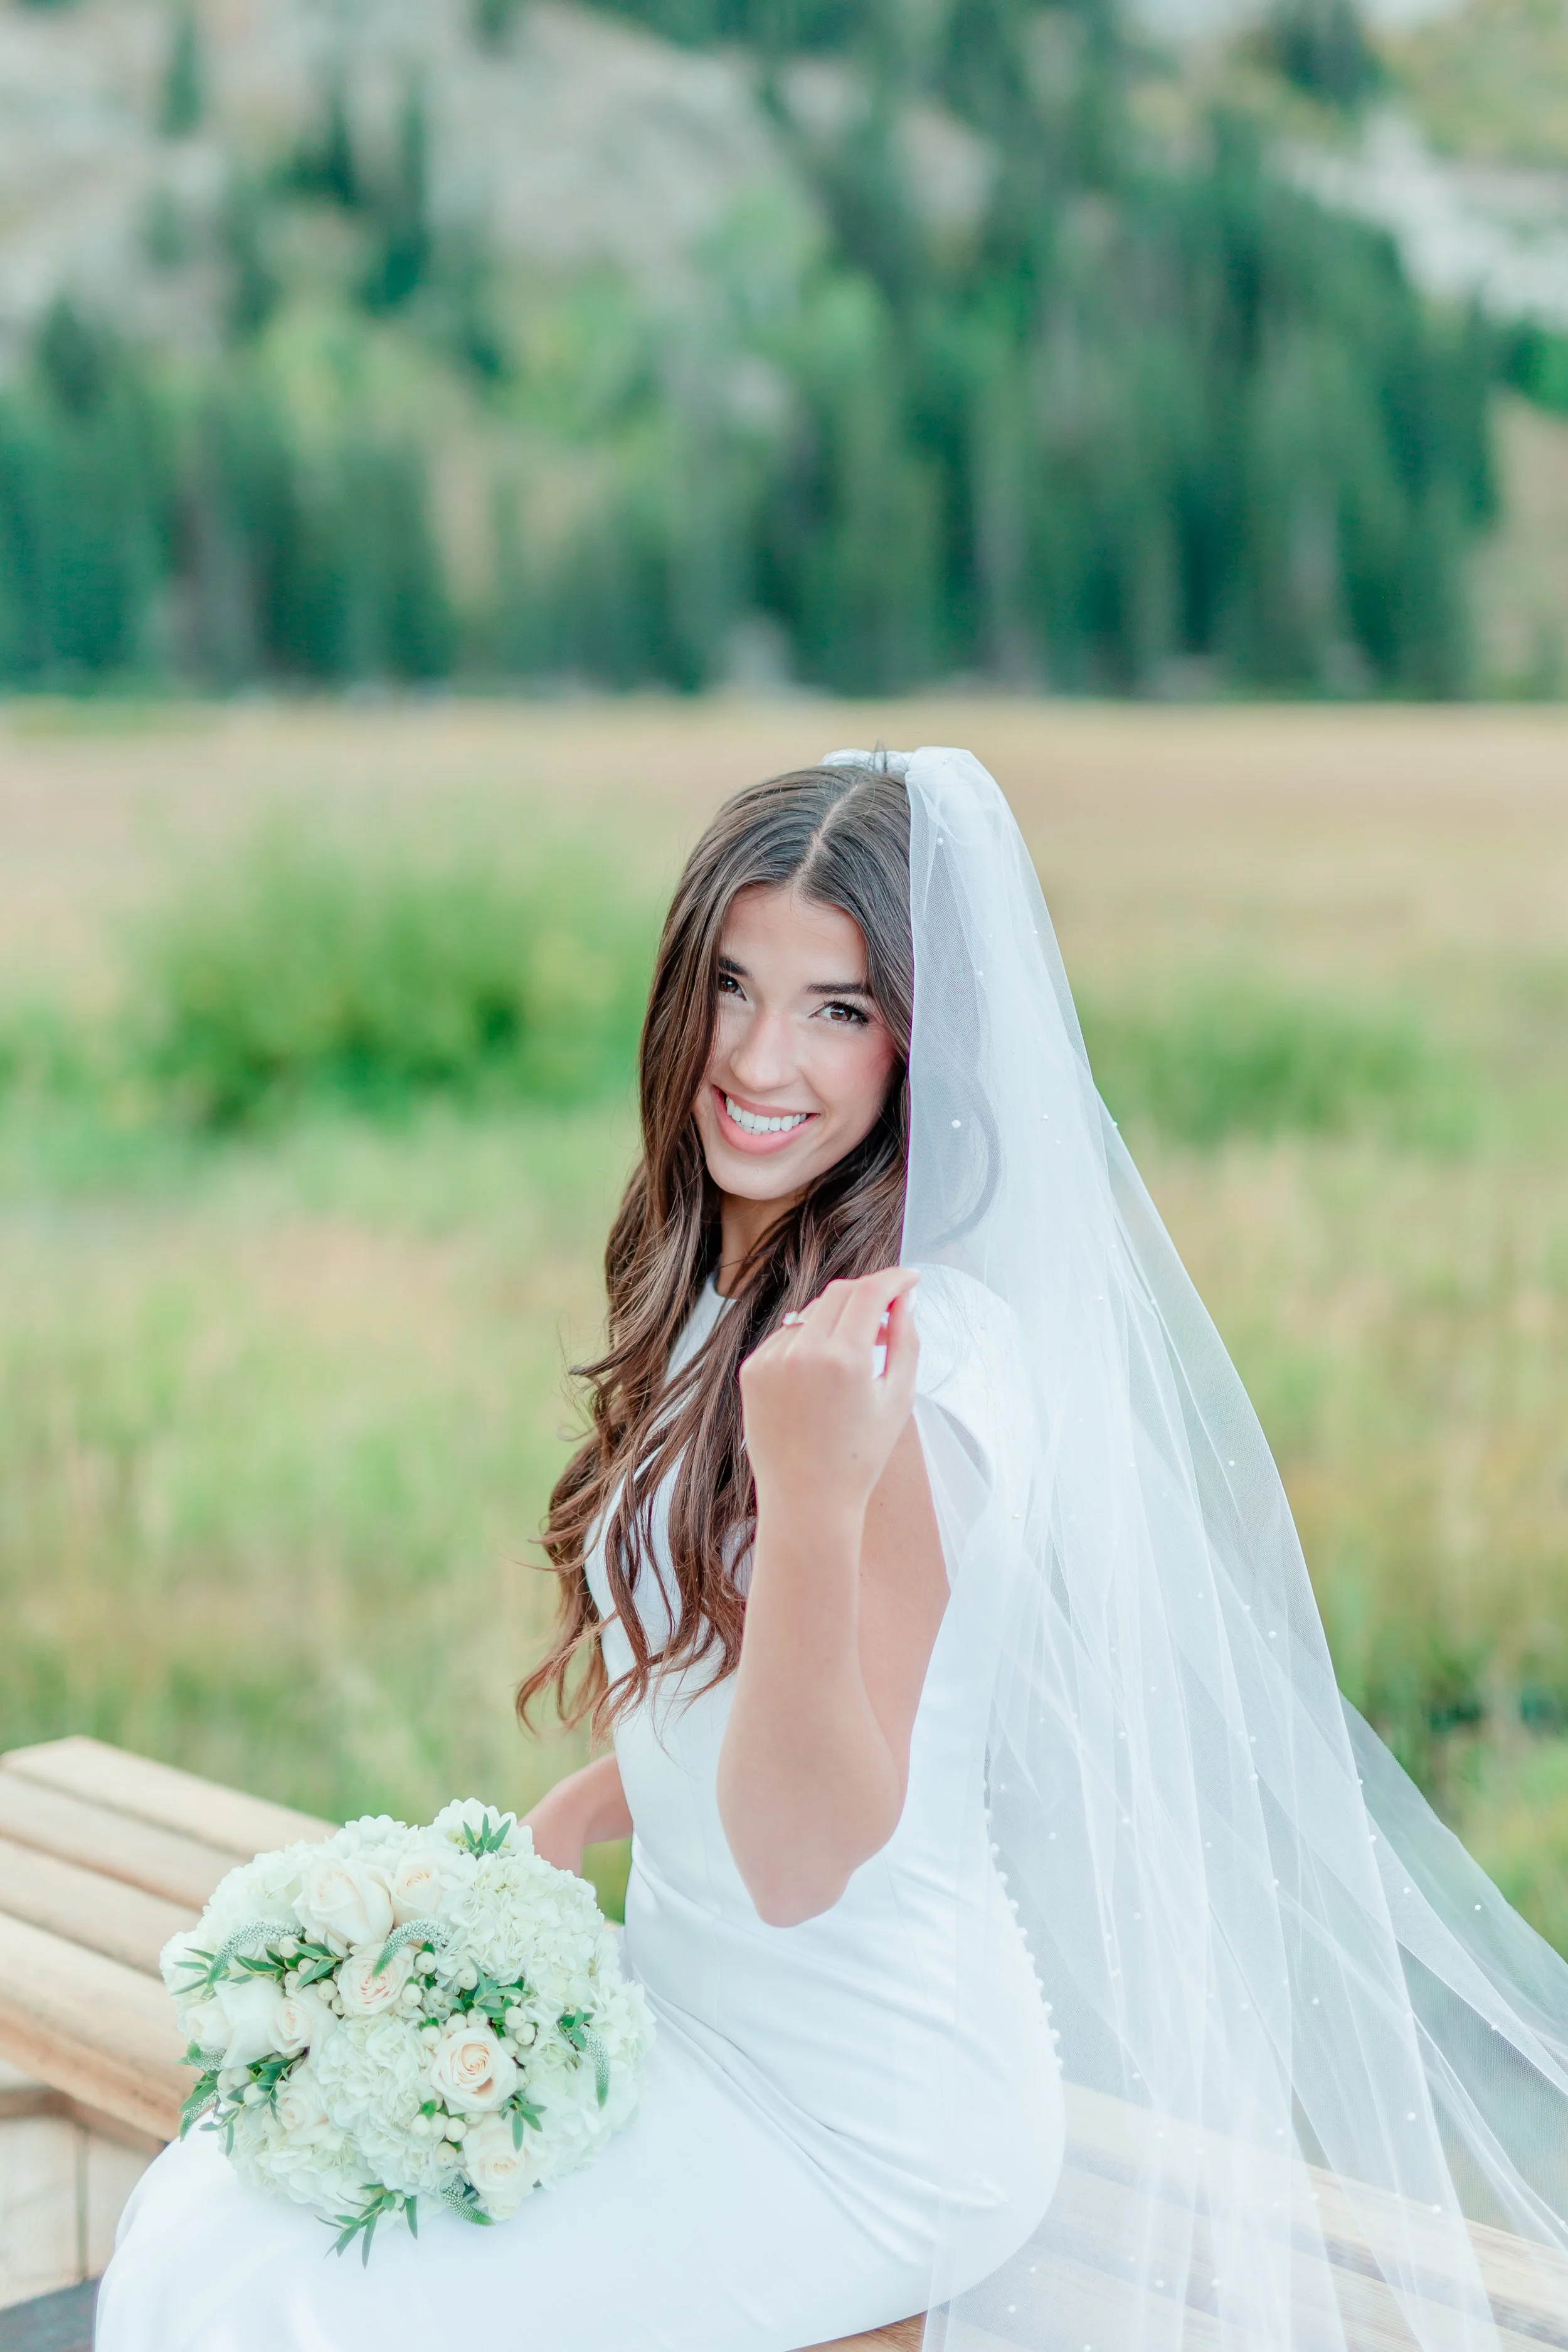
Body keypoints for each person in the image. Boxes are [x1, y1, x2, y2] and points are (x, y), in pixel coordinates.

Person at [98, 748, 1568, 2352]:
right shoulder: (736, 1281)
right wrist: (594, 1802)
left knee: (294, 2302)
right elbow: (759, 1682)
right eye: (732, 986)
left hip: (861, 2122)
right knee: (207, 2218)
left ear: (915, 1046)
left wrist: (808, 1498)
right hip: (689, 2013)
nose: (757, 1058)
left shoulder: (895, 1374)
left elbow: (806, 1860)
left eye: (835, 1009)